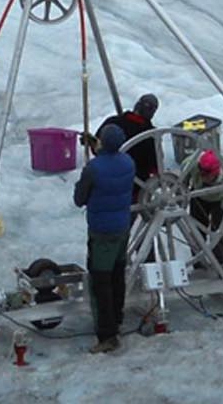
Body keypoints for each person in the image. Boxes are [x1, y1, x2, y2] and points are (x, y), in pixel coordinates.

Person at [74, 125, 135, 354]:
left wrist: (81, 181)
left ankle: (107, 335)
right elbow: (108, 159)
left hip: (101, 232)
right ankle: (117, 319)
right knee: (117, 276)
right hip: (122, 228)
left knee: (101, 282)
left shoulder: (93, 169)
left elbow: (80, 199)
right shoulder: (128, 163)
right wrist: (94, 145)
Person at [180, 149, 223, 268]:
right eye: (201, 173)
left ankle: (220, 263)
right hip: (198, 197)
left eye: (206, 175)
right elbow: (183, 171)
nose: (203, 177)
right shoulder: (192, 163)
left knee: (218, 234)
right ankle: (198, 263)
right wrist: (183, 188)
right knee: (196, 233)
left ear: (215, 172)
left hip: (218, 201)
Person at [93, 93, 160, 194]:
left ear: (136, 106)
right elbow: (155, 168)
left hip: (106, 184)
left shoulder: (112, 123)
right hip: (134, 191)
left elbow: (96, 147)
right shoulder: (151, 136)